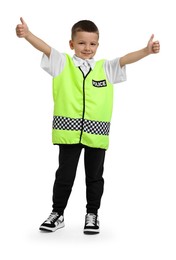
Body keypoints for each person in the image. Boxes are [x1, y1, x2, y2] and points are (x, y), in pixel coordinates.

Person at [16, 17, 160, 235]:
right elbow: (45, 48)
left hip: (97, 136)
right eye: (82, 43)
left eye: (92, 44)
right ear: (72, 44)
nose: (87, 48)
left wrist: (146, 51)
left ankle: (92, 214)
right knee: (64, 176)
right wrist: (27, 35)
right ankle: (58, 214)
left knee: (94, 177)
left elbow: (125, 60)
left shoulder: (106, 68)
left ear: (98, 45)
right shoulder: (62, 63)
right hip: (68, 136)